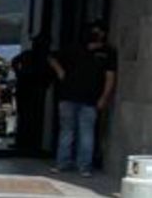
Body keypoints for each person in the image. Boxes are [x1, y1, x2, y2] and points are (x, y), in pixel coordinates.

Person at [48, 22, 116, 177]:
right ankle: (69, 164)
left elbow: (110, 77)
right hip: (70, 96)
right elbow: (52, 57)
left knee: (80, 132)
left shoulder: (107, 52)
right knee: (73, 131)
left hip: (87, 98)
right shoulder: (76, 48)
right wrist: (61, 72)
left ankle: (77, 165)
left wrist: (104, 97)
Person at [9, 34, 52, 158]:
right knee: (32, 116)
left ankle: (23, 142)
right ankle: (28, 143)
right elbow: (14, 62)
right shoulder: (41, 56)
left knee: (25, 116)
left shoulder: (30, 54)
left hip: (28, 87)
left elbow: (14, 61)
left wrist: (19, 73)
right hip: (33, 88)